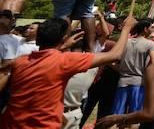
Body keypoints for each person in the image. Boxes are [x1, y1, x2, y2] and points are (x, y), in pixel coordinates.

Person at [0, 15, 136, 128]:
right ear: (63, 39)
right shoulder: (64, 61)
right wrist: (126, 28)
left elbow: (43, 57)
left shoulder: (20, 61)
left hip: (11, 123)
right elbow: (114, 55)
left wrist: (63, 45)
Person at [112, 18, 154, 126]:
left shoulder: (126, 42)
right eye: (151, 27)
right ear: (145, 29)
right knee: (135, 117)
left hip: (122, 81)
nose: (153, 29)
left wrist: (120, 69)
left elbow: (113, 58)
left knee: (116, 116)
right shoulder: (150, 44)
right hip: (138, 82)